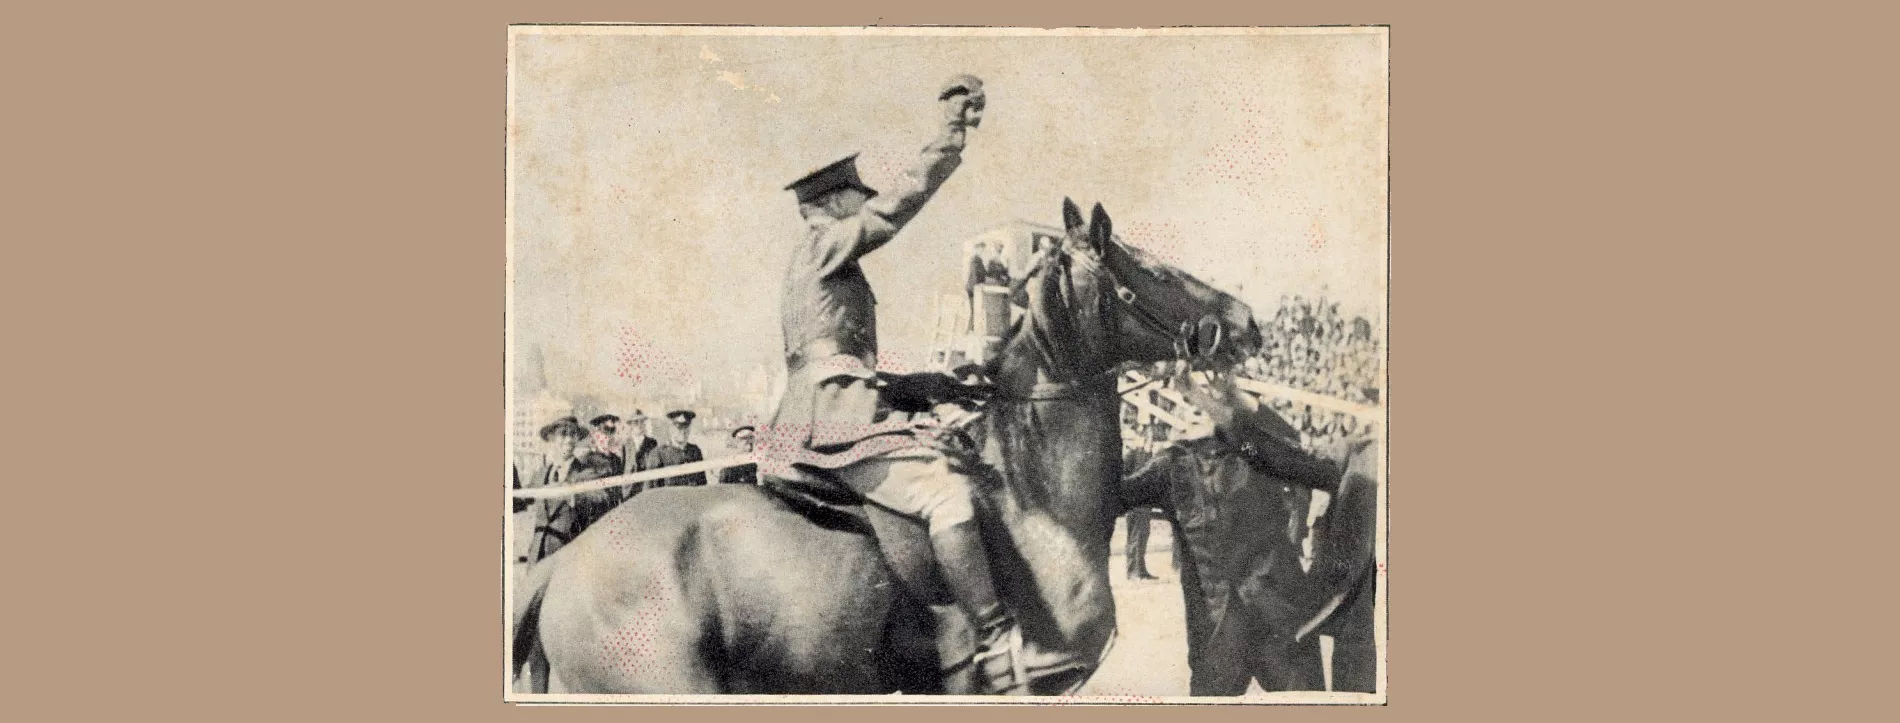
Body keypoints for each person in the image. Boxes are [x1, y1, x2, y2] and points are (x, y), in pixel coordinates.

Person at [760, 75, 1029, 693]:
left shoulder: (825, 263)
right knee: (946, 495)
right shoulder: (824, 243)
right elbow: (895, 209)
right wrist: (949, 137)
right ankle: (992, 636)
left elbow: (848, 362)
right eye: (857, 198)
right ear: (829, 205)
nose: (866, 206)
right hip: (831, 416)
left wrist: (935, 384)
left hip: (832, 403)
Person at [520, 417, 621, 563]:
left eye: (572, 435)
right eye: (563, 433)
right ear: (551, 437)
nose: (568, 440)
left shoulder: (586, 472)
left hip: (568, 559)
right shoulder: (541, 474)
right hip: (537, 557)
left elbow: (603, 499)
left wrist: (572, 496)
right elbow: (519, 501)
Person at [646, 409, 708, 487]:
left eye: (686, 427)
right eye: (679, 427)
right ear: (671, 429)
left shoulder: (695, 451)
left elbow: (702, 485)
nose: (683, 431)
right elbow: (650, 491)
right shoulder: (658, 454)